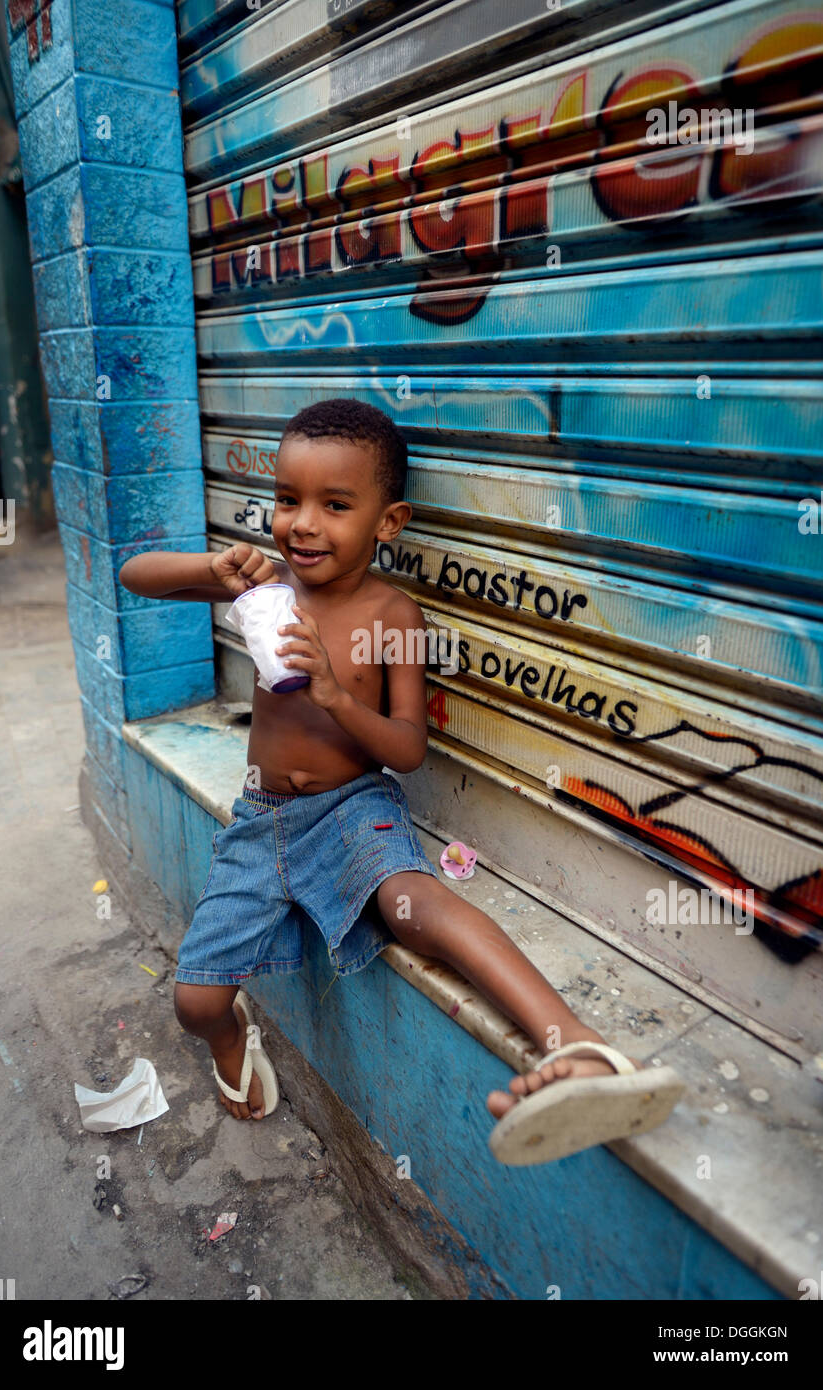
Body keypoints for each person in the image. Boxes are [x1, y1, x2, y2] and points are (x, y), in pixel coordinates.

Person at [118, 399, 682, 1165]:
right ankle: (232, 1037)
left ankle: (575, 1047)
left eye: (335, 505)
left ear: (388, 522)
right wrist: (208, 569)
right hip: (262, 820)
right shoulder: (267, 587)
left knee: (419, 908)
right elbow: (135, 574)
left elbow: (407, 749)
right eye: (288, 500)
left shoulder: (393, 613)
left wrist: (333, 697)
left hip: (353, 809)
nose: (302, 524)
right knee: (194, 1001)